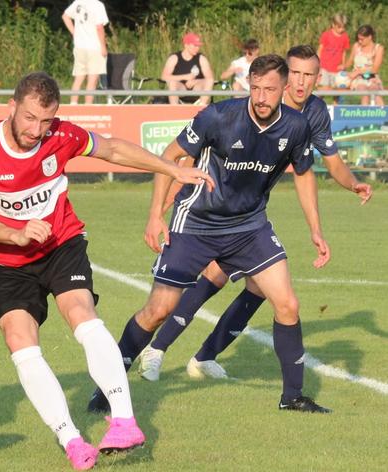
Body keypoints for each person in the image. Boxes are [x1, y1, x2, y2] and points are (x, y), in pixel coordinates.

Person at [0, 72, 213, 470]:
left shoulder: (61, 135)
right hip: (9, 260)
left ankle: (125, 420)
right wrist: (17, 233)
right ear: (12, 106)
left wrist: (171, 169)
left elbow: (111, 149)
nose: (36, 130)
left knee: (81, 314)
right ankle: (72, 439)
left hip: (61, 244)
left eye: (45, 121)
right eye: (28, 119)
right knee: (20, 342)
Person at [88, 54, 333, 415]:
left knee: (287, 303)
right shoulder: (219, 117)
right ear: (248, 85)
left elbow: (303, 173)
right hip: (196, 223)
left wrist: (315, 229)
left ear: (284, 90)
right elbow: (169, 157)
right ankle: (107, 388)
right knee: (158, 310)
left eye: (270, 89)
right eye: (256, 88)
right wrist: (156, 215)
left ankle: (292, 396)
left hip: (249, 226)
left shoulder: (297, 127)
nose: (262, 97)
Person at [132, 45, 373, 383]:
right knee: (212, 278)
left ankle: (205, 356)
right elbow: (186, 156)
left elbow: (326, 163)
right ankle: (157, 349)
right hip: (210, 208)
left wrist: (352, 185)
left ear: (318, 78)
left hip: (249, 215)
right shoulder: (257, 103)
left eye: (310, 75)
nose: (302, 83)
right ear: (285, 79)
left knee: (261, 289)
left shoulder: (313, 114)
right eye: (297, 74)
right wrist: (164, 205)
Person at [61, 0, 109, 105]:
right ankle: (88, 106)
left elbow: (65, 16)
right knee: (92, 79)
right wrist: (103, 46)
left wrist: (75, 33)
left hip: (79, 46)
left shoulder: (78, 2)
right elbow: (99, 27)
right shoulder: (98, 5)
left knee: (79, 78)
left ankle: (73, 104)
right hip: (94, 47)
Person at [161, 32, 215, 105]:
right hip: (181, 88)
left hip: (197, 89)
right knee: (172, 83)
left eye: (198, 46)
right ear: (186, 45)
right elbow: (164, 77)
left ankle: (202, 107)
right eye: (195, 46)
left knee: (209, 81)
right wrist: (185, 77)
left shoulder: (201, 58)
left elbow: (210, 78)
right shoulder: (174, 58)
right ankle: (174, 110)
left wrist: (195, 81)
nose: (197, 48)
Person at [345, 25, 384, 105]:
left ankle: (383, 115)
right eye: (358, 39)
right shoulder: (356, 46)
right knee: (365, 93)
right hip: (358, 79)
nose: (359, 41)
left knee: (375, 92)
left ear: (370, 37)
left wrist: (358, 71)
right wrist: (342, 69)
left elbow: (375, 69)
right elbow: (349, 62)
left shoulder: (378, 48)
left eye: (362, 39)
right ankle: (365, 116)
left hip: (372, 78)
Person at [317, 14, 351, 91]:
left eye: (344, 27)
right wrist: (318, 65)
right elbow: (320, 50)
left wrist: (343, 65)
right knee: (323, 88)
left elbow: (344, 52)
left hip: (337, 69)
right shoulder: (326, 35)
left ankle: (336, 103)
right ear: (333, 25)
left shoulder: (345, 37)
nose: (342, 29)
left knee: (338, 89)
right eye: (339, 27)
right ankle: (318, 103)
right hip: (324, 67)